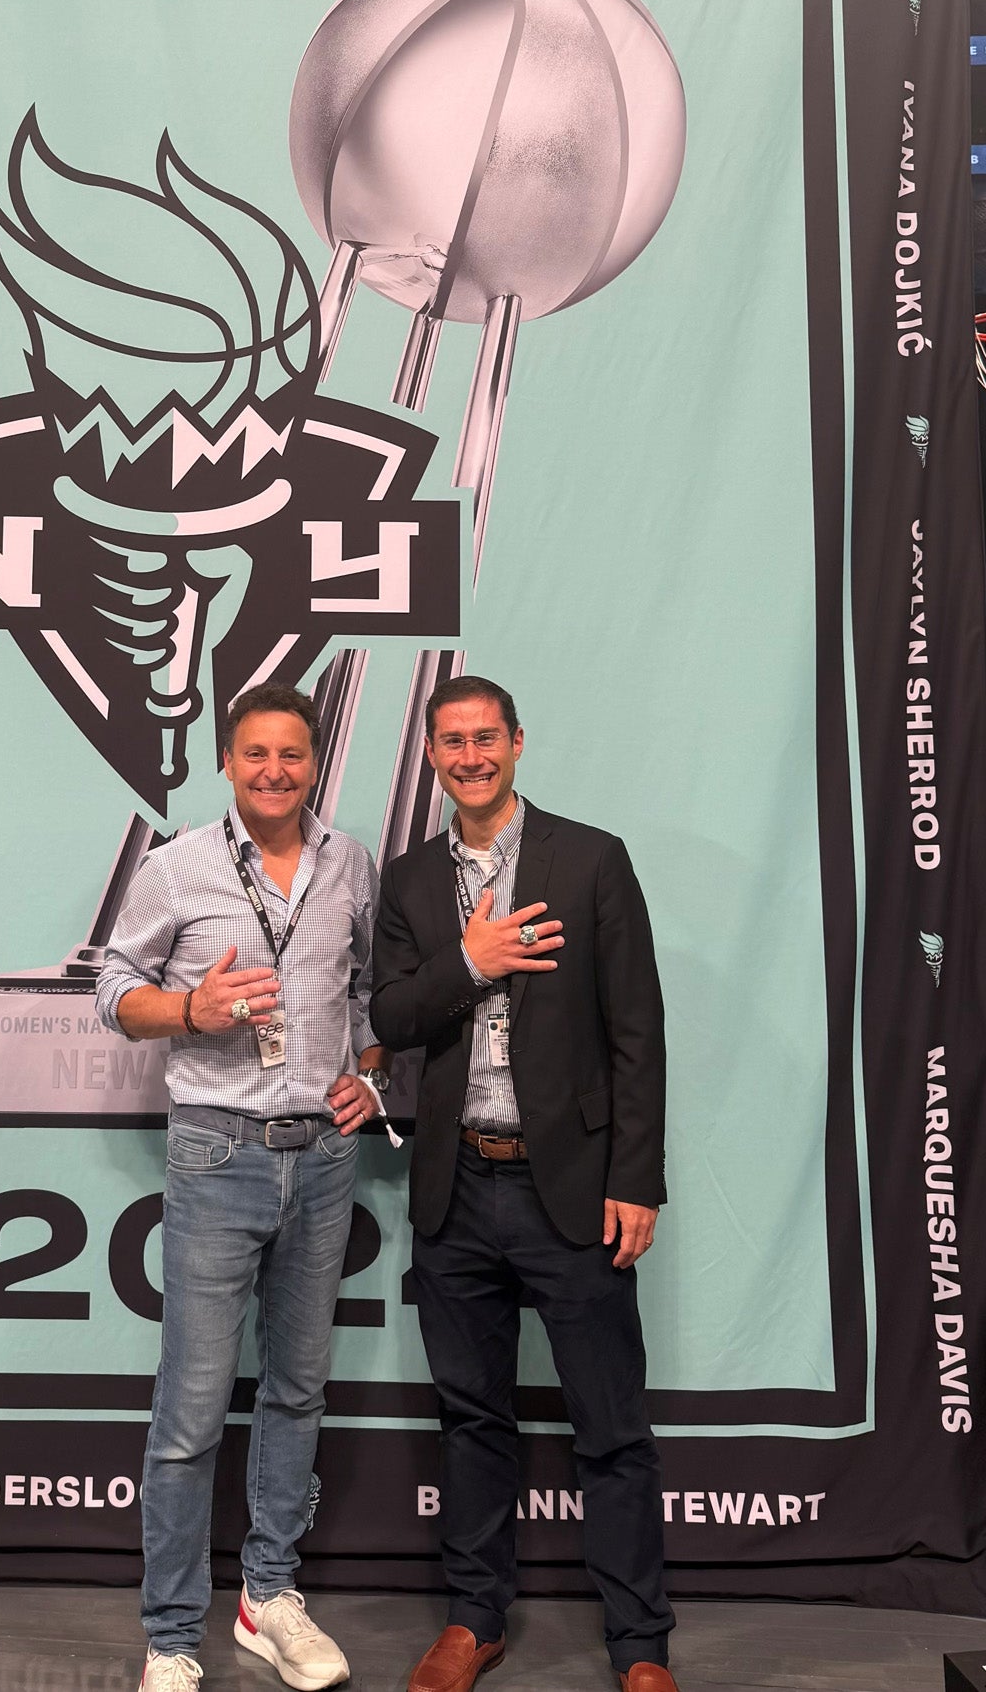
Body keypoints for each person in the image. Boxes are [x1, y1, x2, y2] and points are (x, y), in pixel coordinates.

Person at [371, 676, 678, 1692]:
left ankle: (638, 1645)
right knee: (471, 1421)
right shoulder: (411, 880)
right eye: (450, 742)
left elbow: (636, 1032)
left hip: (574, 1193)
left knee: (611, 1428)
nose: (469, 755)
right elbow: (393, 1018)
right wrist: (468, 958)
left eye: (484, 737)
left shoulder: (588, 858)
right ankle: (473, 1620)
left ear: (516, 742)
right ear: (429, 756)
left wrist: (635, 1180)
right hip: (454, 1192)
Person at [97, 683, 391, 1692]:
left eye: (293, 755)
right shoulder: (176, 866)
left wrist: (372, 1071)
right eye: (255, 753)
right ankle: (171, 1636)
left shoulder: (347, 860)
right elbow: (111, 994)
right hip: (215, 1151)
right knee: (188, 1412)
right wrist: (190, 1007)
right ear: (226, 760)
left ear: (314, 763)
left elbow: (359, 994)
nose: (274, 770)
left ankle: (267, 1598)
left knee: (297, 1390)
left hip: (320, 1156)